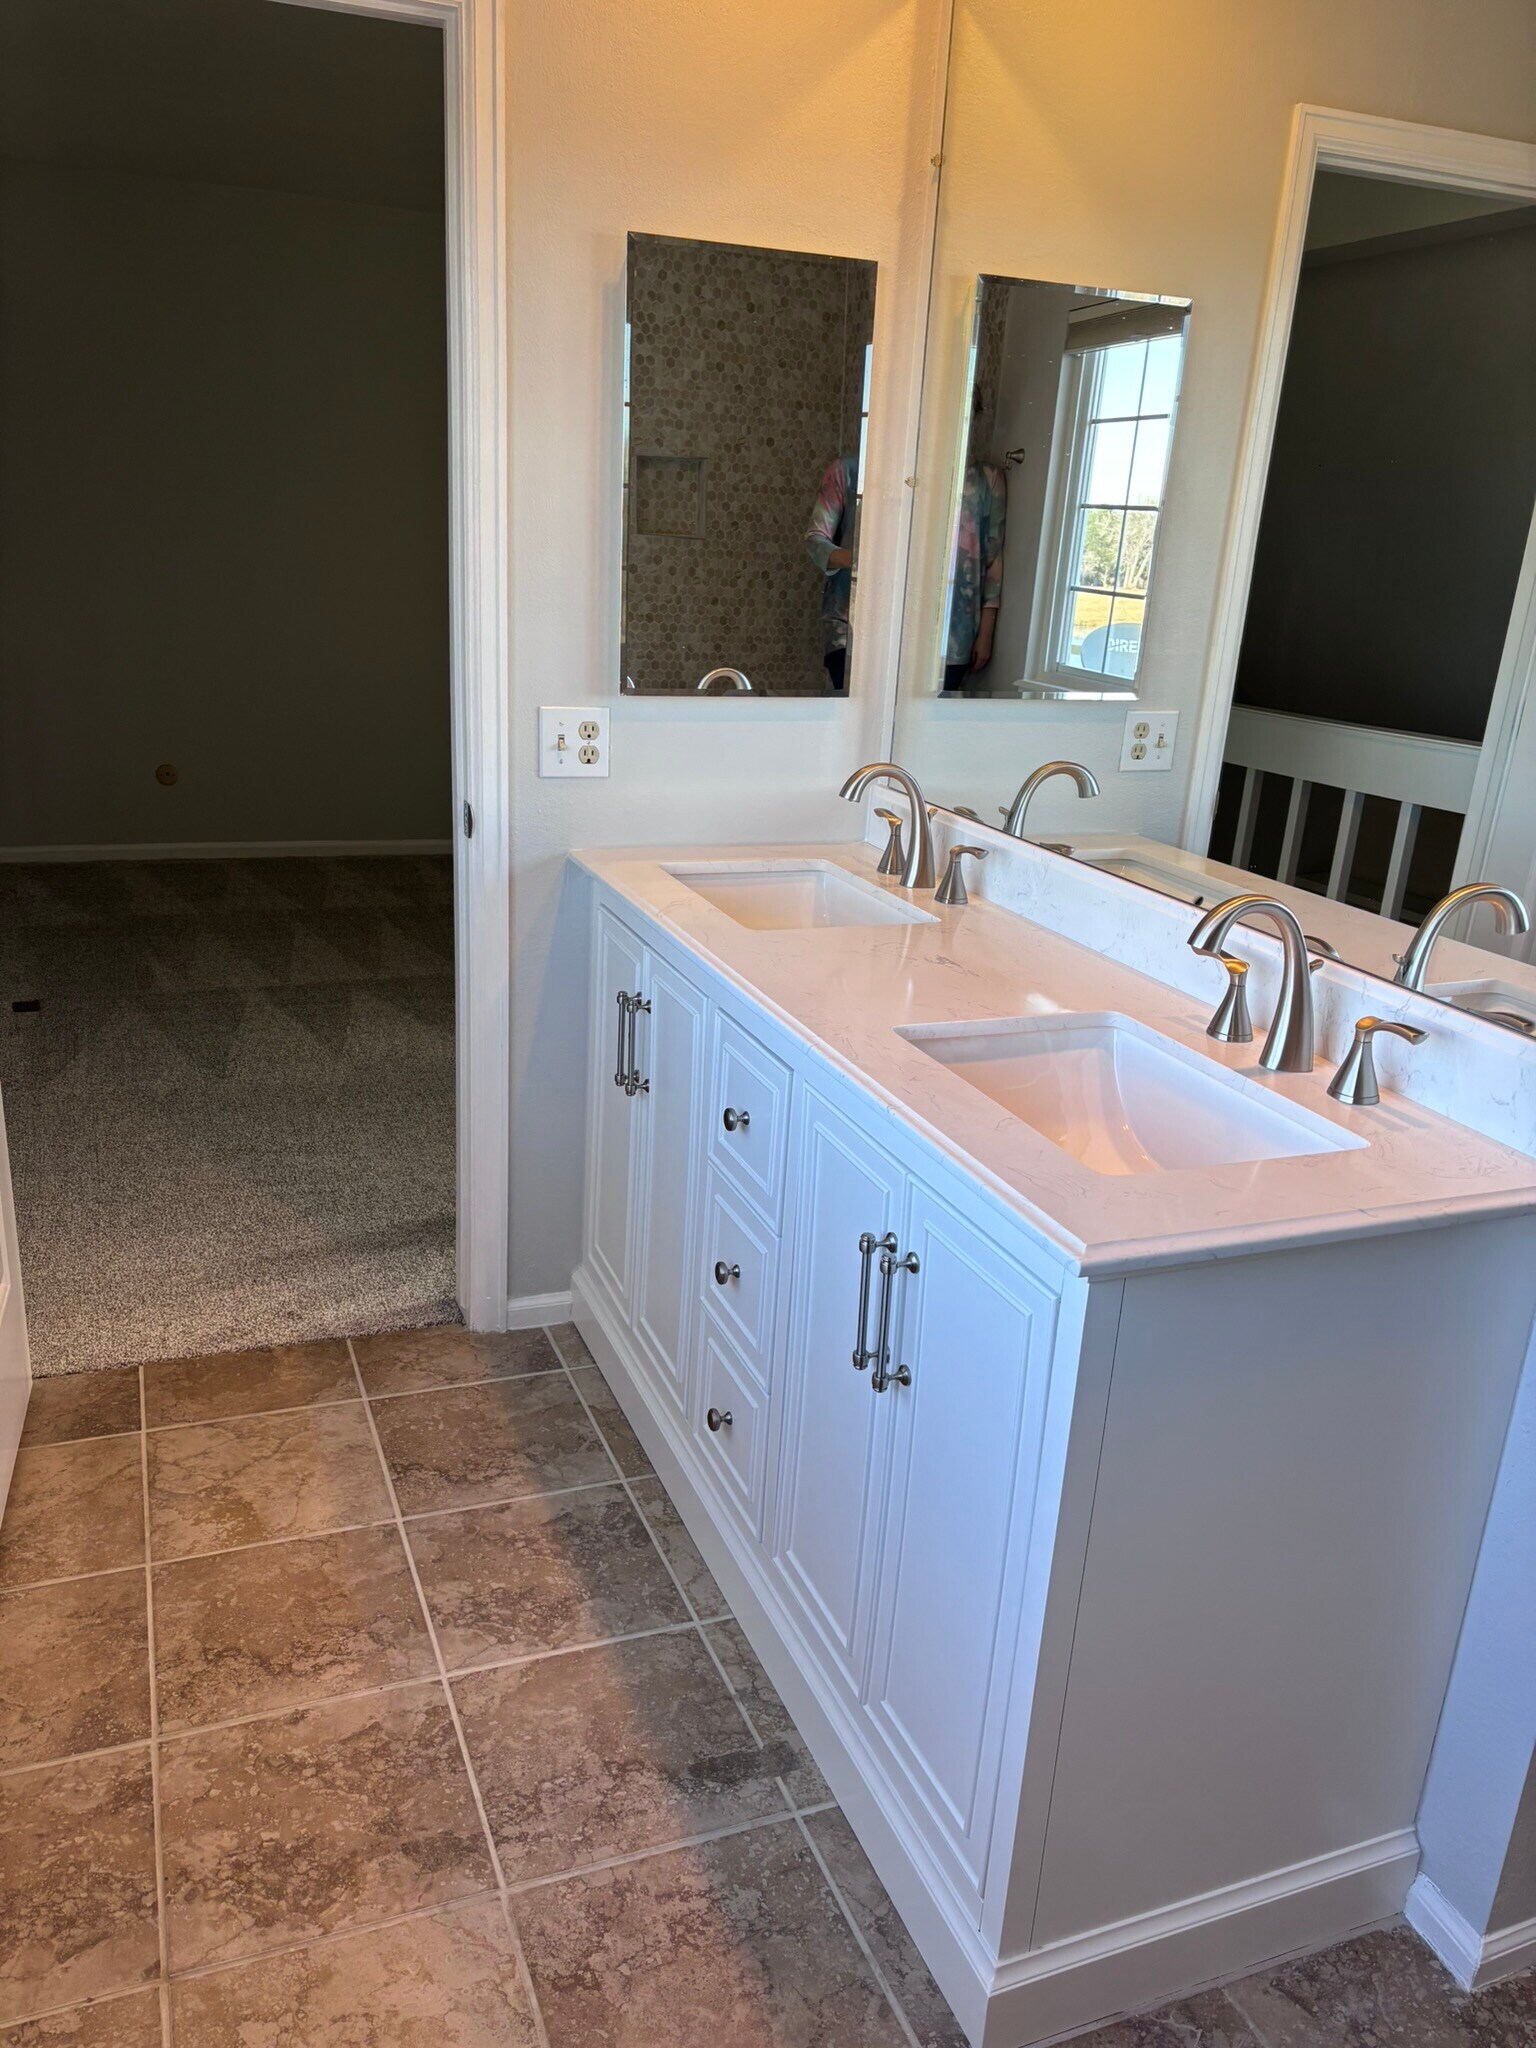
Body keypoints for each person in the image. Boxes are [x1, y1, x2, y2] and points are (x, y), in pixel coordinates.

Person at [943, 461, 1007, 692]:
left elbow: (993, 556)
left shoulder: (986, 478)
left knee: (939, 717)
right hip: (894, 628)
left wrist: (986, 633)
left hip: (957, 632)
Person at [806, 454, 859, 692]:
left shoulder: (931, 478)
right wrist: (859, 560)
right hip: (846, 622)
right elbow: (815, 540)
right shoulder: (848, 471)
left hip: (911, 632)